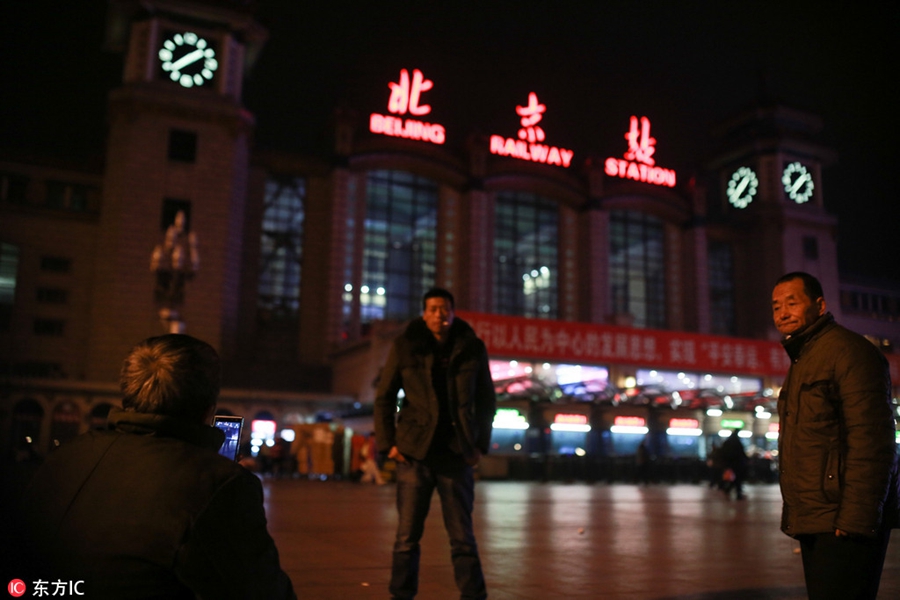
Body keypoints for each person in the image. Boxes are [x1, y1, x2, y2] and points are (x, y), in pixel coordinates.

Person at [20, 334, 297, 599]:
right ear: (208, 410)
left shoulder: (65, 456)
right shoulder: (218, 485)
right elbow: (260, 590)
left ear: (128, 396)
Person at [772, 271, 900, 599]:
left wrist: (856, 518)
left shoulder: (849, 353)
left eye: (792, 303)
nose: (782, 313)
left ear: (819, 305)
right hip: (818, 517)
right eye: (776, 306)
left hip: (844, 521)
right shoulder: (805, 359)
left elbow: (872, 440)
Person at [374, 287, 496, 600]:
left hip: (457, 454)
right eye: (432, 309)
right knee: (406, 536)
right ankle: (401, 594)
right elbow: (385, 396)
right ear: (423, 313)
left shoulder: (471, 347)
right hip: (415, 453)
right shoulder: (406, 346)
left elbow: (486, 400)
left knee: (462, 538)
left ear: (452, 313)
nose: (439, 315)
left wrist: (479, 443)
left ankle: (474, 595)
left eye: (444, 309)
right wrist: (389, 443)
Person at [719, 429, 747, 500]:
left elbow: (722, 452)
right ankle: (737, 493)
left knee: (734, 477)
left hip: (729, 462)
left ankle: (729, 489)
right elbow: (741, 452)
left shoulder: (727, 441)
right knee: (738, 477)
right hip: (737, 462)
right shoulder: (737, 441)